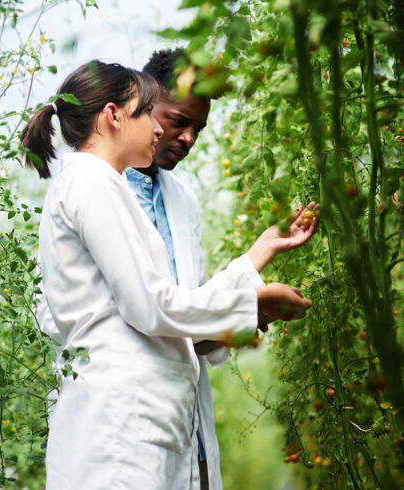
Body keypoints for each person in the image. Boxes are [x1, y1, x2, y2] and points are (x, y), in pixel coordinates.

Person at [21, 60, 313, 489]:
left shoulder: (105, 186)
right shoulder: (92, 185)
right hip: (121, 421)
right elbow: (152, 306)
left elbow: (168, 306)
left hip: (147, 420)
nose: (160, 131)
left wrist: (256, 261)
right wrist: (254, 303)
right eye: (148, 113)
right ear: (113, 116)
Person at [123, 48, 319, 489]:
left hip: (188, 429)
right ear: (143, 106)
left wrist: (262, 254)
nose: (189, 138)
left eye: (198, 128)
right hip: (130, 426)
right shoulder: (105, 192)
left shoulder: (182, 200)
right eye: (178, 120)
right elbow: (151, 317)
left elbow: (189, 322)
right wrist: (248, 305)